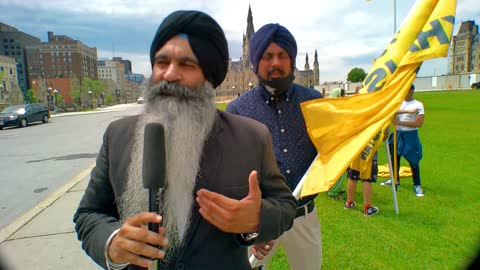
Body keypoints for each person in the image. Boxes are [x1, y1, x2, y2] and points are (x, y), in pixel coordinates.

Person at [73, 11, 297, 270]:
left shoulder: (251, 138)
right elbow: (88, 215)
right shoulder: (117, 136)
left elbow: (285, 206)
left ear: (210, 77)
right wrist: (112, 242)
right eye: (162, 61)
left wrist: (257, 219)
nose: (170, 74)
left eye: (187, 65)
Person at [226, 23, 323, 270]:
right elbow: (230, 173)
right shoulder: (237, 111)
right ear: (256, 61)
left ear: (292, 61)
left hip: (303, 215)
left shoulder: (313, 103)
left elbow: (331, 150)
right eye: (267, 56)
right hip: (258, 218)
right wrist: (249, 230)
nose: (275, 63)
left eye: (282, 56)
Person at [380, 84, 425, 197]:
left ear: (411, 91)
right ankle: (395, 180)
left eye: (406, 90)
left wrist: (399, 123)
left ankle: (417, 185)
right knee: (394, 158)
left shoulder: (418, 105)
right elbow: (390, 114)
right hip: (397, 134)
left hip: (411, 135)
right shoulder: (399, 102)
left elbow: (419, 123)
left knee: (413, 160)